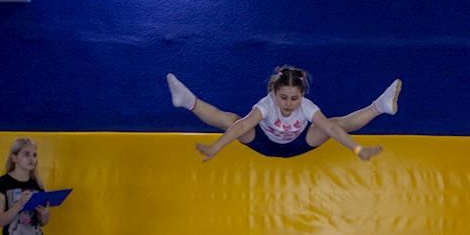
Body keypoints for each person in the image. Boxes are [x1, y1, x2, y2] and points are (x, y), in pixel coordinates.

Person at [166, 65, 401, 161]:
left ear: (302, 95)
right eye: (283, 97)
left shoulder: (306, 107)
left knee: (334, 124)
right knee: (233, 120)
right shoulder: (267, 104)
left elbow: (330, 129)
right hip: (263, 142)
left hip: (298, 144)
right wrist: (216, 147)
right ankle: (188, 101)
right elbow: (243, 126)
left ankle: (380, 106)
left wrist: (358, 149)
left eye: (294, 98)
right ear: (274, 92)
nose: (288, 104)